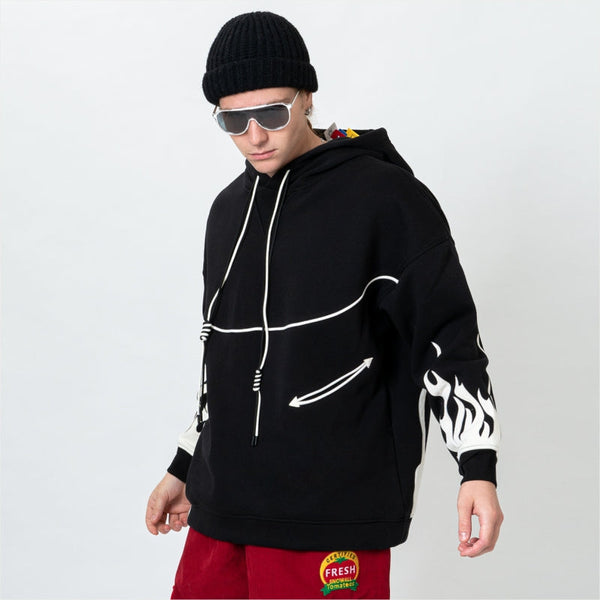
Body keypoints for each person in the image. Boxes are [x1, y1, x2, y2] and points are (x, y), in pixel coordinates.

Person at [145, 10, 503, 599]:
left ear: (307, 98)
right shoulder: (227, 212)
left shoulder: (386, 199)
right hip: (222, 507)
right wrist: (185, 466)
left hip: (329, 513)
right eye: (233, 120)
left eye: (271, 113)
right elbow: (226, 360)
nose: (254, 136)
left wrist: (477, 468)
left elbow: (447, 338)